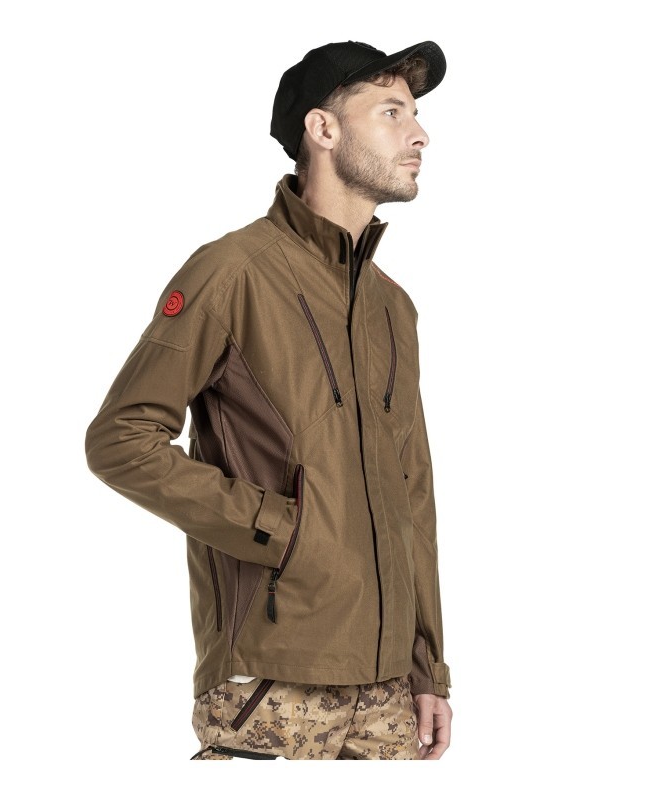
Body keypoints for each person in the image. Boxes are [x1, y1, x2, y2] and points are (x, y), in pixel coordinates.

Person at [85, 39, 453, 760]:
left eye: (414, 115)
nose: (419, 135)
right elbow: (121, 440)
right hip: (273, 681)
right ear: (323, 129)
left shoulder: (392, 306)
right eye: (391, 112)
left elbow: (413, 494)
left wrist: (426, 666)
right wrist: (280, 530)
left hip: (388, 694)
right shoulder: (233, 273)